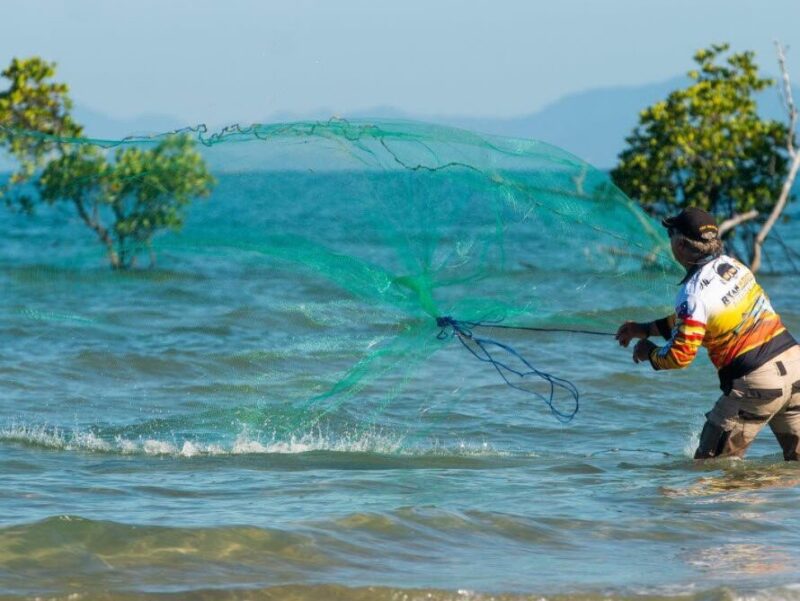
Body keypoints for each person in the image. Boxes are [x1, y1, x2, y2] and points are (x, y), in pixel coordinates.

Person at [616, 207, 800, 460]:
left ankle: (758, 493)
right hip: (794, 366)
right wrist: (646, 328)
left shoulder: (693, 294)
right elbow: (702, 319)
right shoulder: (733, 266)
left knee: (710, 472)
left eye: (671, 234)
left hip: (758, 381)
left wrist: (650, 352)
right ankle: (774, 496)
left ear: (680, 244)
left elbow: (680, 356)